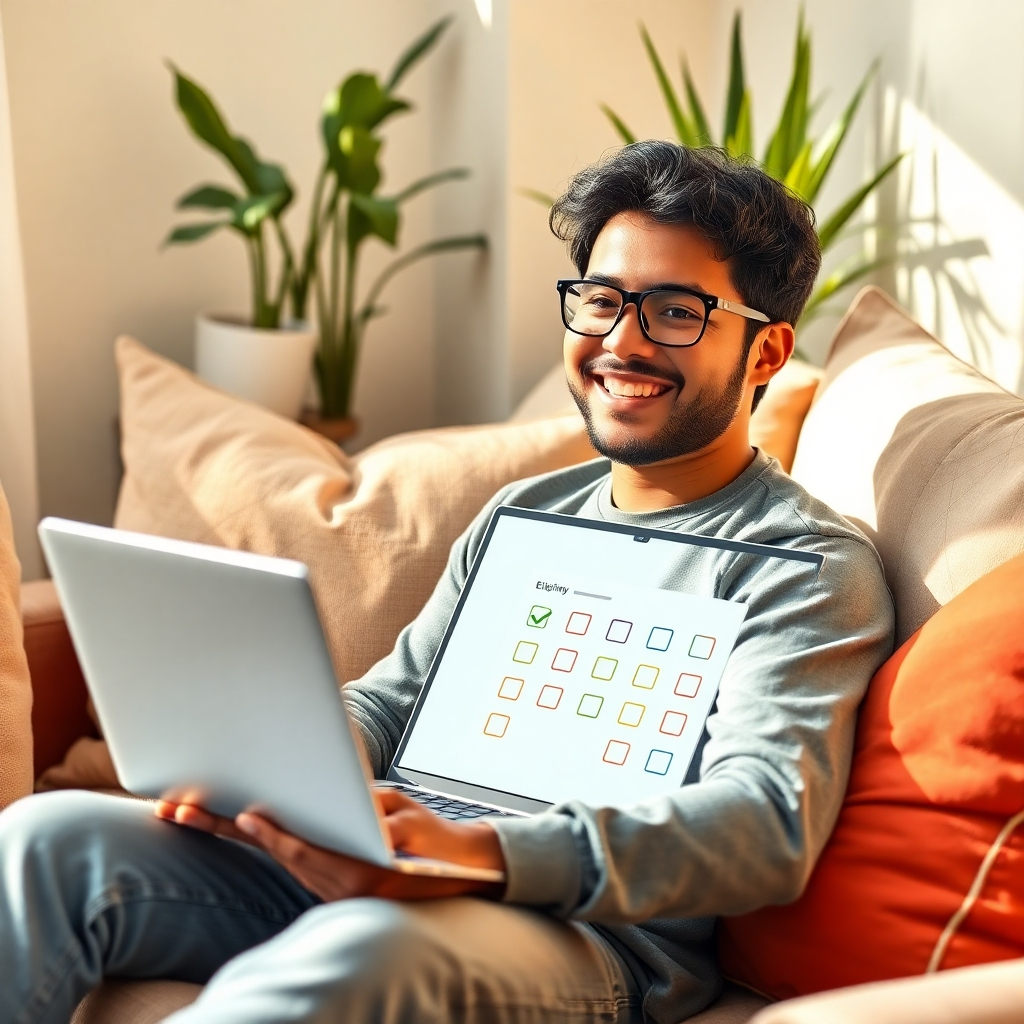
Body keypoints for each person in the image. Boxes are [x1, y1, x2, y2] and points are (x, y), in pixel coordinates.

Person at [0, 141, 894, 1024]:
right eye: (601, 302)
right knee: (42, 838)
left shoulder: (807, 567)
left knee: (360, 952)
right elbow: (394, 701)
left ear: (768, 352)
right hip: (385, 863)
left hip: (584, 936)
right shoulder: (523, 514)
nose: (622, 340)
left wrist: (479, 853)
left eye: (675, 312)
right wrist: (301, 776)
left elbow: (764, 822)